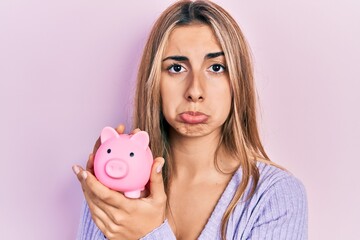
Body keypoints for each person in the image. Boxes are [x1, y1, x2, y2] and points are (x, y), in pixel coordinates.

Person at [72, 1, 308, 239]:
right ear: (154, 81)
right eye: (176, 68)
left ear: (238, 80)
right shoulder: (116, 184)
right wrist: (107, 189)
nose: (195, 91)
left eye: (216, 67)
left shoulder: (276, 196)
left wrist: (148, 233)